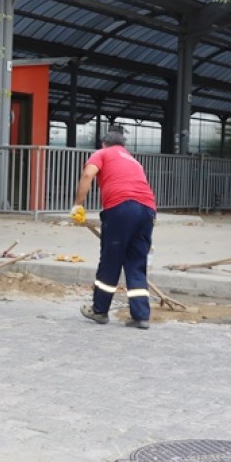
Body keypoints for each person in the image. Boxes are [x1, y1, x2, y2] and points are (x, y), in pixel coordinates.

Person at [71, 128, 158, 329]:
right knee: (136, 262)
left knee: (111, 260)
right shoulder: (134, 161)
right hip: (147, 210)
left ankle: (100, 311)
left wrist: (78, 205)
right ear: (123, 146)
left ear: (104, 144)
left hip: (121, 207)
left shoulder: (102, 153)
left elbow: (88, 175)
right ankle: (141, 316)